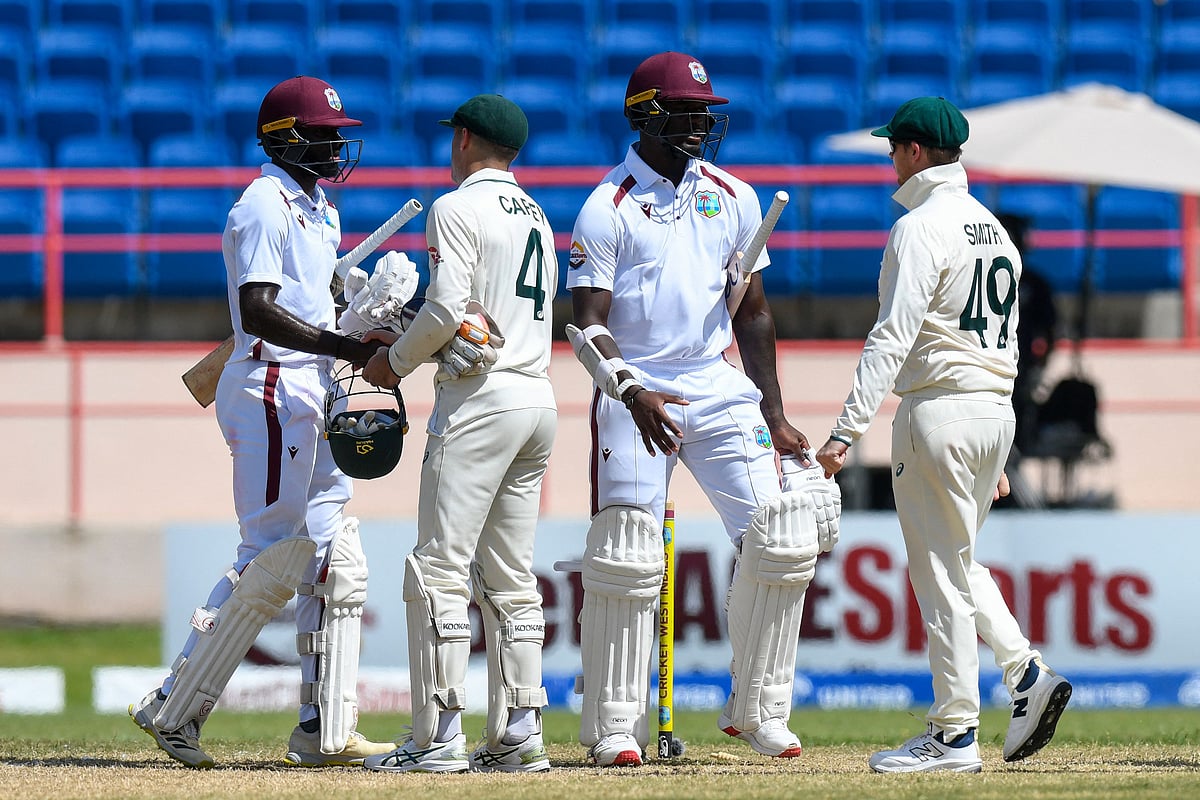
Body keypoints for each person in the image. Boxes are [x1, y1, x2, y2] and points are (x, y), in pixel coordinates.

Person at [566, 51, 839, 767]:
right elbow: (586, 325)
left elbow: (751, 311)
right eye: (686, 112)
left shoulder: (734, 195)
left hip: (716, 383)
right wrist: (630, 390)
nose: (700, 124)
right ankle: (615, 727)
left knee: (783, 535)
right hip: (634, 385)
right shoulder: (608, 206)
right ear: (645, 117)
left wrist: (775, 416)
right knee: (627, 556)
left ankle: (759, 710)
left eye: (705, 112)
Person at [128, 75, 400, 769]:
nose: (339, 144)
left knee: (333, 551)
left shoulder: (319, 208)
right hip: (272, 384)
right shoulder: (261, 206)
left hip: (309, 381)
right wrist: (346, 344)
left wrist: (357, 313)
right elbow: (256, 310)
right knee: (272, 552)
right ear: (288, 139)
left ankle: (323, 727)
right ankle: (175, 706)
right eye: (325, 133)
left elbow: (312, 303)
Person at [813, 97, 1073, 773]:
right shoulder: (995, 232)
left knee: (939, 578)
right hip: (992, 408)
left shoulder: (919, 227)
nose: (891, 160)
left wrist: (844, 432)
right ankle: (1024, 675)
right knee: (958, 563)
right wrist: (996, 444)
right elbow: (1006, 342)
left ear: (917, 153)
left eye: (895, 148)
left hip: (939, 409)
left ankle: (955, 732)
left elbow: (891, 337)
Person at [358, 94, 558, 774]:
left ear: (464, 140)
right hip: (538, 399)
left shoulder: (457, 206)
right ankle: (521, 732)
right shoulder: (537, 215)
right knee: (510, 576)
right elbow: (482, 313)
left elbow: (448, 309)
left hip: (480, 404)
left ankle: (437, 737)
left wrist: (394, 361)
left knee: (438, 569)